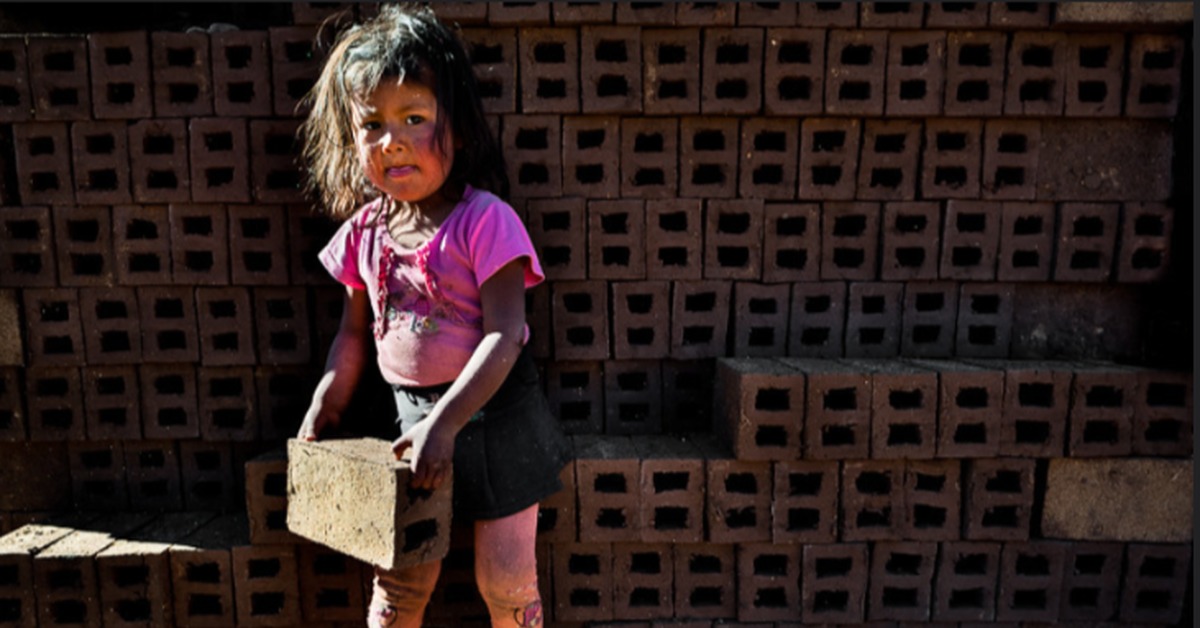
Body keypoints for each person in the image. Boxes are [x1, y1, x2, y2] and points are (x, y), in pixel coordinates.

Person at [295, 5, 571, 627]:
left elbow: (506, 334)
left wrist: (447, 425)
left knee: (506, 581)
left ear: (460, 129)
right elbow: (352, 334)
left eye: (413, 119)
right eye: (371, 124)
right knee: (399, 583)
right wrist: (327, 401)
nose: (390, 140)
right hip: (409, 424)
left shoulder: (485, 221)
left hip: (497, 420)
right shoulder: (363, 234)